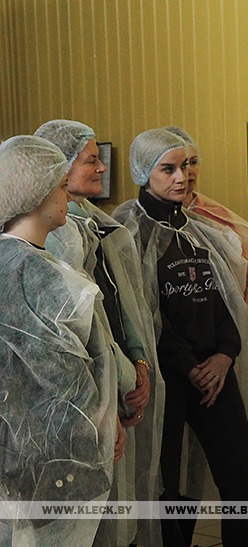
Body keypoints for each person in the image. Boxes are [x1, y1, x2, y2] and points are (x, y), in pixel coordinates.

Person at [112, 128, 248, 546]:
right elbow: (141, 315)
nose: (183, 176)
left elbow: (225, 300)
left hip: (215, 371)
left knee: (241, 480)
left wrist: (225, 354)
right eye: (169, 169)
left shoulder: (201, 229)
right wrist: (188, 364)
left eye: (188, 165)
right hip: (165, 378)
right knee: (164, 483)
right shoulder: (126, 232)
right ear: (143, 172)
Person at [35, 119, 166, 546]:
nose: (102, 168)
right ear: (59, 168)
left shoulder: (101, 226)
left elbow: (123, 306)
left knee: (116, 509)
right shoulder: (51, 238)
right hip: (89, 393)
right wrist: (121, 381)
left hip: (117, 382)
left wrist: (139, 362)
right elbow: (82, 329)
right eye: (91, 160)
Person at [0, 136, 119, 545]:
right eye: (61, 186)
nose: (67, 196)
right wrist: (100, 426)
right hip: (51, 458)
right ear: (35, 193)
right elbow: (66, 380)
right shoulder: (43, 275)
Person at [164, 126, 248, 305]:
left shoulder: (217, 217)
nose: (188, 172)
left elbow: (246, 277)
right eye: (181, 165)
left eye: (193, 162)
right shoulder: (148, 221)